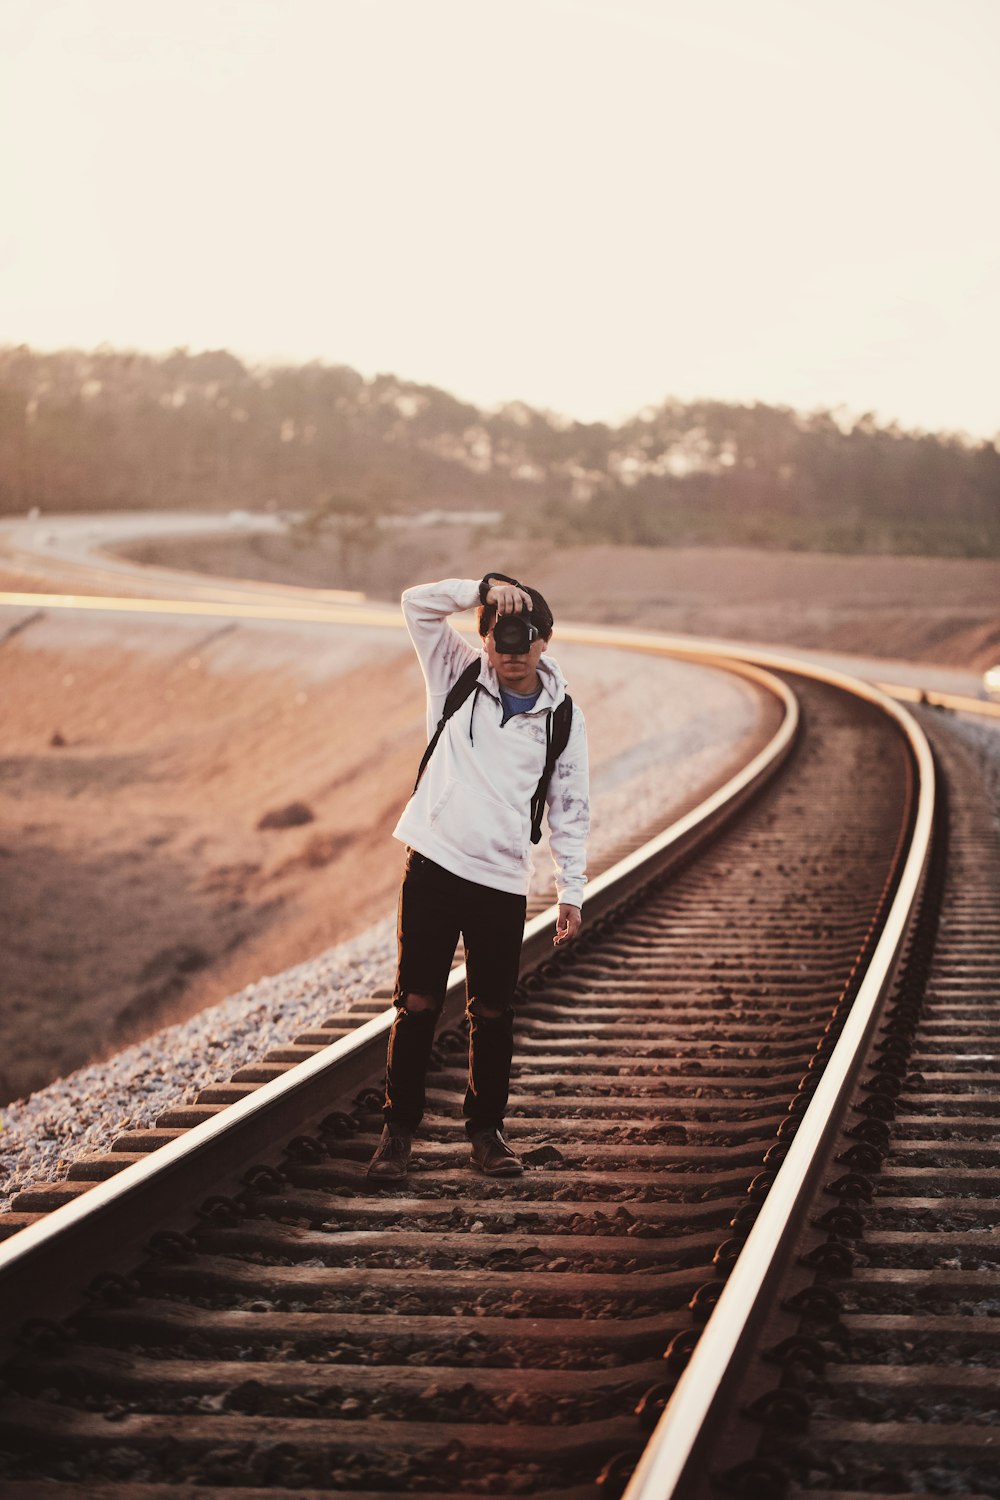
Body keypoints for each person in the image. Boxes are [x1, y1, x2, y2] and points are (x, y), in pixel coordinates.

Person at [367, 572, 590, 1180]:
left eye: (523, 640)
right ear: (485, 639)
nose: (510, 652)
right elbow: (415, 603)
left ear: (544, 641)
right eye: (498, 639)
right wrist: (485, 587)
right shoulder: (457, 675)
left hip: (501, 880)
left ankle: (487, 1136)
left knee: (492, 1011)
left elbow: (571, 806)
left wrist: (572, 887)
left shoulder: (561, 717)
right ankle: (397, 1135)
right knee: (416, 1004)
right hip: (434, 864)